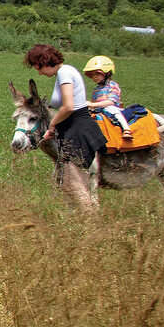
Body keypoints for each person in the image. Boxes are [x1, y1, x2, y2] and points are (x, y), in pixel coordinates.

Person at [23, 43, 106, 208]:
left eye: (39, 68)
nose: (39, 73)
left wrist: (52, 125)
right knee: (69, 183)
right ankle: (83, 219)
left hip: (77, 127)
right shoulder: (63, 73)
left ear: (47, 61)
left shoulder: (64, 72)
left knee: (74, 183)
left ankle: (89, 220)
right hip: (72, 126)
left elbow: (69, 106)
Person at [83, 55, 133, 140]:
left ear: (107, 73)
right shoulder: (96, 90)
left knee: (110, 108)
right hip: (98, 110)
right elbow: (93, 102)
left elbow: (111, 102)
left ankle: (126, 129)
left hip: (112, 109)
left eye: (98, 74)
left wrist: (92, 104)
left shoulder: (113, 86)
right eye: (92, 74)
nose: (94, 77)